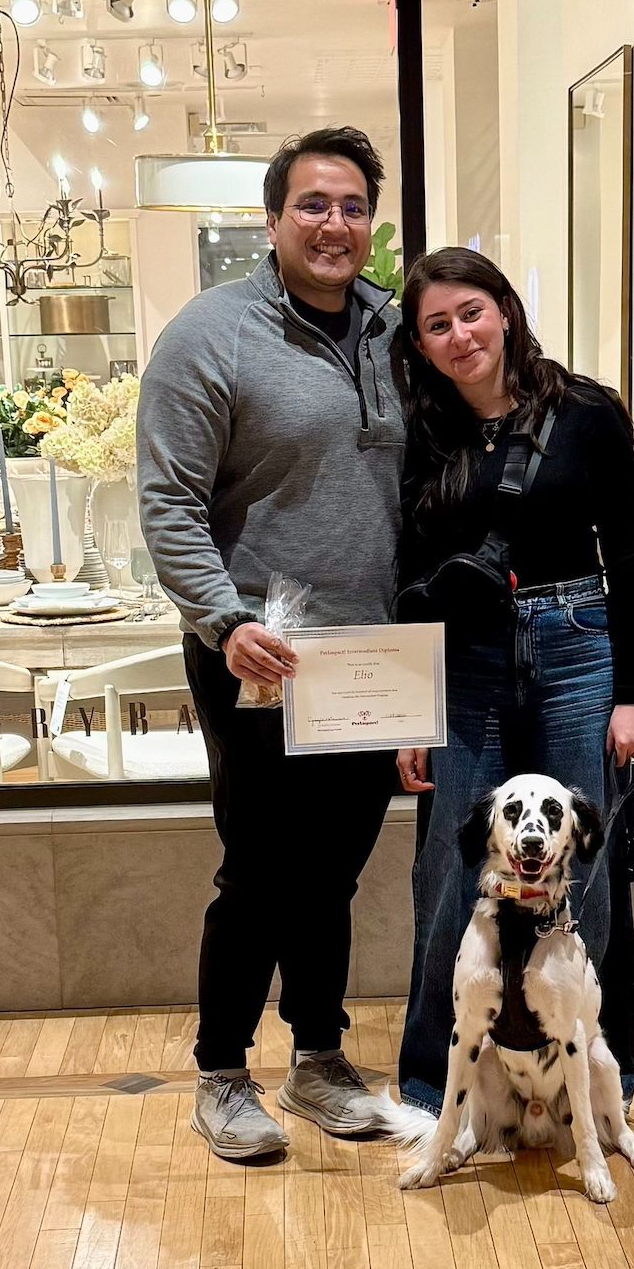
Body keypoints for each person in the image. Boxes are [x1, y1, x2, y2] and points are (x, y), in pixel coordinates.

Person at [138, 126, 405, 1162]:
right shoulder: (213, 334)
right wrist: (224, 619)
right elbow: (168, 500)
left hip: (370, 659)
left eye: (353, 206)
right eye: (314, 205)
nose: (335, 224)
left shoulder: (392, 331)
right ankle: (221, 1072)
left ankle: (320, 1059)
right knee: (258, 868)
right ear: (273, 217)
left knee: (333, 872)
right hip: (260, 652)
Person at [391, 246, 634, 1114]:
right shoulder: (425, 432)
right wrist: (411, 713)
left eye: (471, 312)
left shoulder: (588, 412)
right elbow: (414, 578)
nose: (460, 335)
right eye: (437, 325)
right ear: (421, 345)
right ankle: (433, 1081)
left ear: (503, 310)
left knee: (583, 861)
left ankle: (591, 1072)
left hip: (577, 645)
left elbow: (628, 560)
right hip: (466, 660)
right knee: (452, 861)